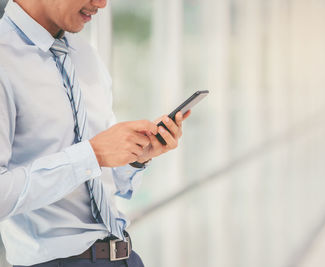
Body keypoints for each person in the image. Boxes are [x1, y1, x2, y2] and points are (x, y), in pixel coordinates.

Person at [0, 0, 190, 266]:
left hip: (124, 256)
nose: (101, 3)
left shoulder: (84, 53)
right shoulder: (4, 60)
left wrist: (136, 156)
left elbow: (98, 176)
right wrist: (92, 154)